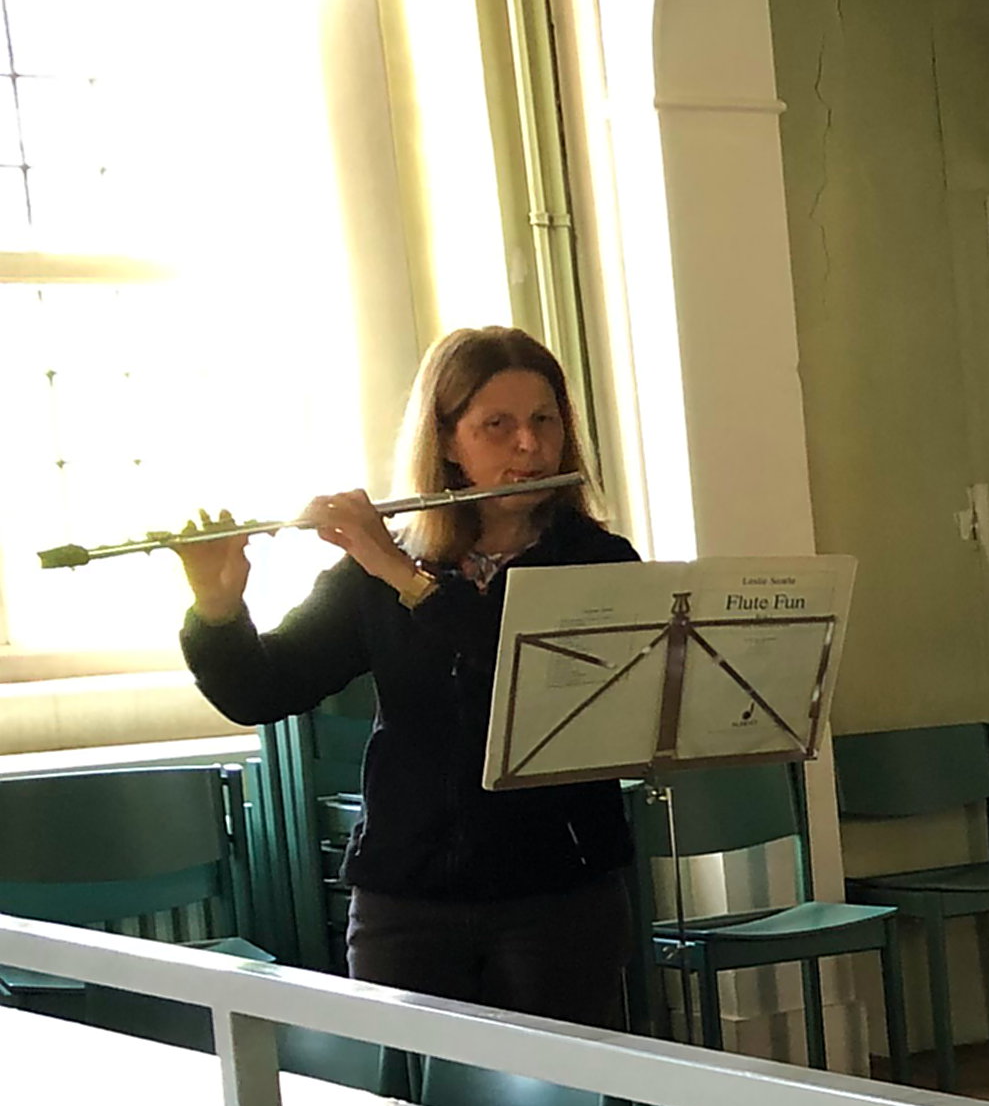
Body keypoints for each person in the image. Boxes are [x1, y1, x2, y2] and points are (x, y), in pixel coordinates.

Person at [177, 327, 645, 1028]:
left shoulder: (596, 562)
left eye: (543, 422)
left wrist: (402, 575)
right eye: (498, 426)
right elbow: (263, 691)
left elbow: (508, 663)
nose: (528, 446)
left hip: (557, 890)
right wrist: (217, 608)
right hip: (409, 894)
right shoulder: (376, 572)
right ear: (449, 442)